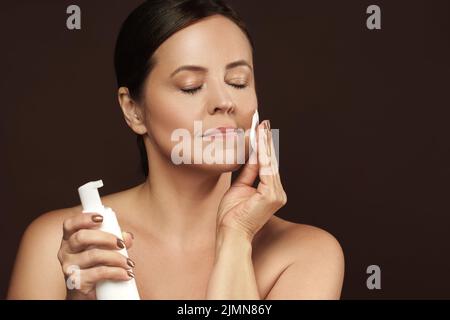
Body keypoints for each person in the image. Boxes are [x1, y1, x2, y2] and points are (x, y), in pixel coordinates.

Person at [7, 0, 344, 300]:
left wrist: (235, 240)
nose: (225, 102)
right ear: (133, 110)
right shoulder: (64, 245)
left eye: (238, 82)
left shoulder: (306, 254)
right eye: (191, 87)